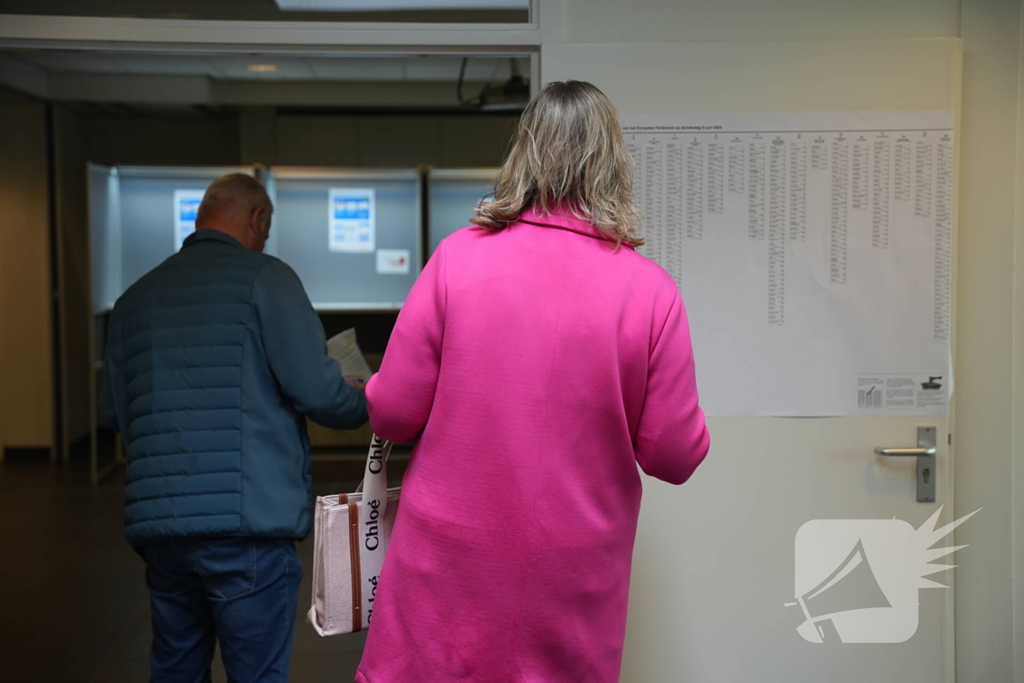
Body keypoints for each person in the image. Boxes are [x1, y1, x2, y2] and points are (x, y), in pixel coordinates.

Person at [358, 81, 711, 683]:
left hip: (448, 570)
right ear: (612, 164)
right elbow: (674, 457)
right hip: (571, 582)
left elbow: (392, 413)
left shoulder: (458, 259)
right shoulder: (651, 291)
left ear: (524, 154)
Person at [101, 173, 367, 682]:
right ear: (257, 219)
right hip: (246, 525)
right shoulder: (266, 278)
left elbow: (115, 411)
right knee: (256, 673)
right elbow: (319, 393)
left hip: (162, 528)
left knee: (177, 667)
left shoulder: (132, 300)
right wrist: (362, 398)